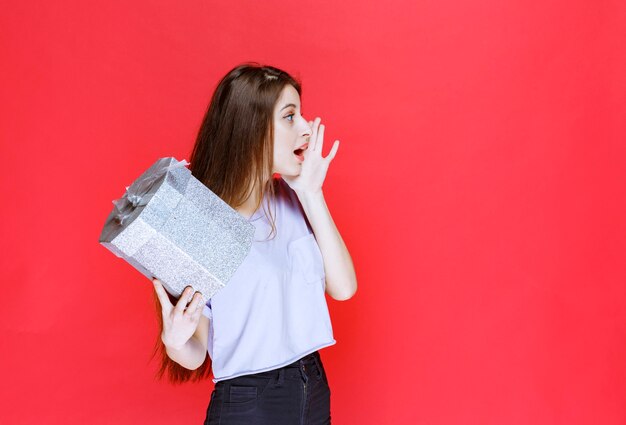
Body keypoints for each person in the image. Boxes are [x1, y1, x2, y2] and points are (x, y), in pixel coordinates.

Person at [151, 63, 357, 424]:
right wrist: (174, 340)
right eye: (290, 117)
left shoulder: (292, 197)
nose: (307, 128)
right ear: (252, 129)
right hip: (251, 403)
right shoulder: (201, 224)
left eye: (301, 114)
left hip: (312, 385)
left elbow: (343, 288)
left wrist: (312, 194)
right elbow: (196, 353)